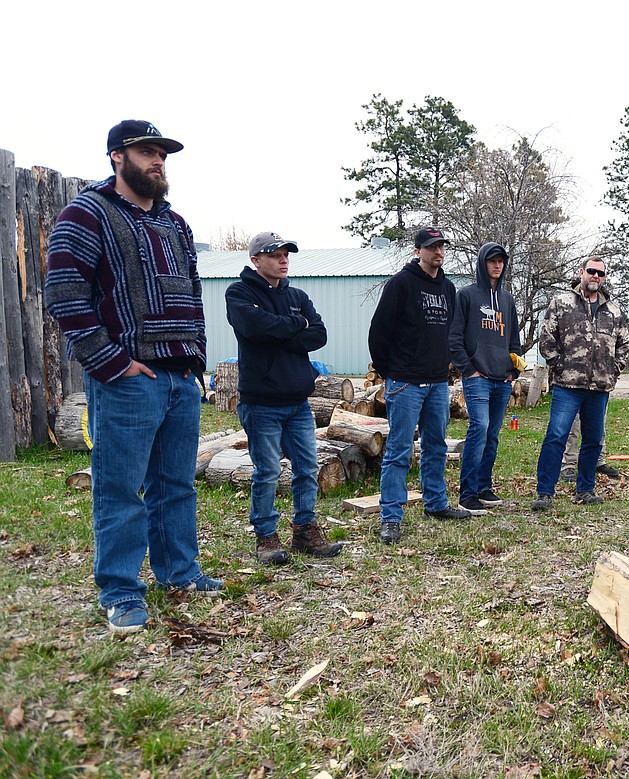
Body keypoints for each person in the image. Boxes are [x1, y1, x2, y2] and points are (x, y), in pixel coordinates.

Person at [45, 119, 223, 634]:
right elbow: (64, 293)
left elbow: (191, 291)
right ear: (116, 158)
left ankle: (180, 574)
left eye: (162, 153)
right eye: (146, 151)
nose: (158, 161)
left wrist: (196, 361)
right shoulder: (87, 213)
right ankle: (121, 591)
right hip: (127, 379)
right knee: (119, 488)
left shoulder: (175, 224)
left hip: (179, 377)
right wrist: (113, 364)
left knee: (175, 485)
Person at [226, 232, 341, 564]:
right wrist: (295, 327)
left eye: (286, 254)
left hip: (297, 402)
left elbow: (317, 334)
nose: (283, 259)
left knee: (307, 468)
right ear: (256, 260)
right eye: (275, 254)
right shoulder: (239, 293)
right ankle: (266, 536)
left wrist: (280, 331)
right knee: (267, 472)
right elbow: (254, 328)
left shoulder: (298, 295)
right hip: (261, 403)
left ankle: (305, 531)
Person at [369, 228, 471, 544]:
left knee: (436, 445)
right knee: (399, 450)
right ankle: (391, 517)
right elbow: (378, 333)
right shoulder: (401, 284)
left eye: (442, 246)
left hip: (438, 383)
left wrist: (446, 368)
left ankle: (436, 504)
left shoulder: (448, 288)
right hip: (405, 383)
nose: (439, 252)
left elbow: (449, 332)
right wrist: (390, 372)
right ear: (418, 251)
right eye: (432, 247)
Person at [532, 257, 629, 510]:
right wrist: (559, 366)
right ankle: (545, 492)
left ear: (604, 277)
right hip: (568, 386)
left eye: (601, 273)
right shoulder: (562, 303)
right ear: (582, 273)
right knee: (556, 436)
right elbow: (546, 339)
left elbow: (624, 344)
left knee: (593, 440)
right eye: (591, 271)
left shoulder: (614, 311)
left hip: (599, 388)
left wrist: (614, 370)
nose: (595, 276)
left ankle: (585, 489)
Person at [449, 242, 523, 515]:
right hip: (477, 377)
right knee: (478, 429)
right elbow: (454, 338)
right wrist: (469, 370)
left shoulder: (507, 300)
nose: (497, 265)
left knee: (492, 435)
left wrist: (513, 370)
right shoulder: (466, 296)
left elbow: (514, 339)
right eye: (492, 260)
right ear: (483, 263)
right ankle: (467, 494)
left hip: (502, 379)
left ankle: (483, 487)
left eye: (501, 261)